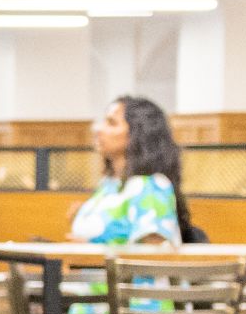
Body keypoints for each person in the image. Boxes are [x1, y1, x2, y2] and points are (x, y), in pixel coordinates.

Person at [69, 94, 200, 247]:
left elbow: (154, 258)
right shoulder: (109, 185)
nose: (98, 129)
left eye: (111, 123)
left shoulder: (151, 186)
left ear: (137, 133)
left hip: (122, 271)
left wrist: (93, 251)